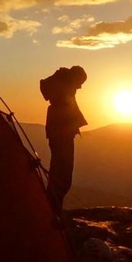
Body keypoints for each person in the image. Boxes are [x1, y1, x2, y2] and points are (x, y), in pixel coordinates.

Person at [40, 66, 87, 214]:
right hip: (62, 137)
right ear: (74, 78)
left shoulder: (62, 94)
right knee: (62, 174)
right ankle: (52, 210)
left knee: (59, 172)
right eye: (80, 82)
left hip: (58, 135)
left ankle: (51, 208)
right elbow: (66, 116)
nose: (80, 87)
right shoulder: (64, 96)